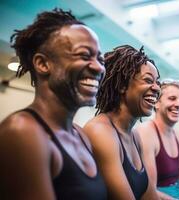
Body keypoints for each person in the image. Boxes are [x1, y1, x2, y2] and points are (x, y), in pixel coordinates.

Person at [0, 9, 107, 200]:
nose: (99, 67)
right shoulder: (22, 132)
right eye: (84, 55)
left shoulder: (80, 134)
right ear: (43, 64)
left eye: (99, 59)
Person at [83, 45, 160, 200]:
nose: (157, 88)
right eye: (148, 80)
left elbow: (150, 196)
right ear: (123, 85)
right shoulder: (100, 131)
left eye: (158, 82)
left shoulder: (135, 136)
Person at [135, 79, 179, 199]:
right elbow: (149, 191)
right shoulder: (146, 132)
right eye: (172, 98)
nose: (178, 104)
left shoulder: (178, 136)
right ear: (156, 103)